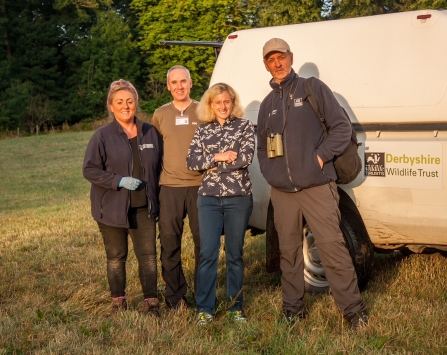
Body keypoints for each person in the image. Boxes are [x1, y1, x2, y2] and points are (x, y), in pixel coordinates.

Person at [257, 38, 368, 330]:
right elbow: (262, 146)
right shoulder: (267, 104)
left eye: (281, 57)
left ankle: (354, 312)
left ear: (291, 58)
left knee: (333, 248)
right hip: (283, 192)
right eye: (271, 60)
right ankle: (293, 310)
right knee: (289, 252)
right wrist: (271, 173)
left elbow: (342, 128)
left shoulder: (312, 89)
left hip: (317, 186)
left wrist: (320, 157)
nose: (277, 64)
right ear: (265, 65)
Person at [83, 79, 162, 316]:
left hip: (144, 208)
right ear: (111, 105)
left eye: (129, 101)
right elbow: (90, 169)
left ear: (136, 103)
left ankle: (151, 302)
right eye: (119, 102)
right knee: (116, 257)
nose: (125, 106)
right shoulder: (102, 136)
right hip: (112, 209)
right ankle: (119, 301)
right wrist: (118, 181)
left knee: (148, 257)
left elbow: (161, 166)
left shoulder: (150, 132)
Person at [186, 83, 255, 325]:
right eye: (218, 102)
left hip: (238, 197)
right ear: (210, 105)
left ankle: (235, 306)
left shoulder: (244, 126)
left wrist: (215, 166)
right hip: (209, 199)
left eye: (226, 101)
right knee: (208, 253)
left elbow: (246, 157)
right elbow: (191, 161)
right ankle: (205, 307)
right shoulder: (203, 130)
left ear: (232, 103)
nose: (223, 106)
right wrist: (218, 156)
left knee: (235, 253)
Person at [151, 65, 203, 309]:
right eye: (174, 82)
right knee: (170, 244)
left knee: (204, 243)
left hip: (200, 186)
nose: (179, 86)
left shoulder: (204, 110)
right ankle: (175, 297)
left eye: (184, 81)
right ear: (168, 86)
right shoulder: (160, 115)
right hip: (169, 187)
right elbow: (155, 154)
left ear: (191, 83)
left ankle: (204, 295)